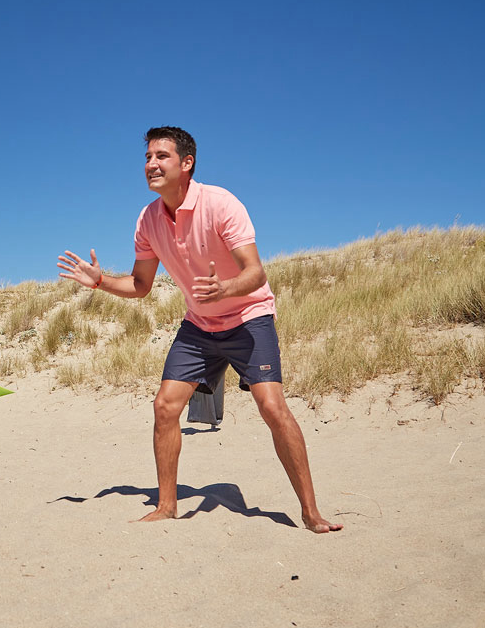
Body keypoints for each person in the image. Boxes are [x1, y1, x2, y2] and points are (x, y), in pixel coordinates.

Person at [57, 126, 341, 534]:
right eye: (147, 157)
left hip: (248, 318)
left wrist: (225, 289)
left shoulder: (220, 204)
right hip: (199, 326)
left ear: (186, 163)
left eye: (162, 156)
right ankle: (167, 506)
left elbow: (255, 273)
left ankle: (311, 513)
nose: (151, 164)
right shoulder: (148, 219)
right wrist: (100, 282)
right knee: (165, 407)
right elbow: (140, 285)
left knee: (272, 407)